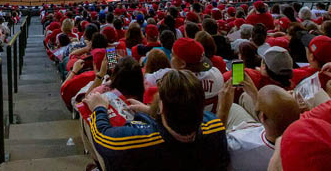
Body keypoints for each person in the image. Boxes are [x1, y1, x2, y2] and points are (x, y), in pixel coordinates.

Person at [85, 69, 229, 171]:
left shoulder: (135, 140)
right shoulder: (214, 125)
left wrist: (98, 108)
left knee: (87, 122)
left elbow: (101, 136)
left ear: (162, 107)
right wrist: (150, 112)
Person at [220, 83, 300, 171]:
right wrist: (254, 93)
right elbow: (272, 116)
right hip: (256, 129)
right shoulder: (298, 144)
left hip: (230, 136)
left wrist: (224, 109)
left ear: (262, 117)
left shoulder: (237, 146)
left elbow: (215, 146)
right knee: (246, 96)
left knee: (233, 107)